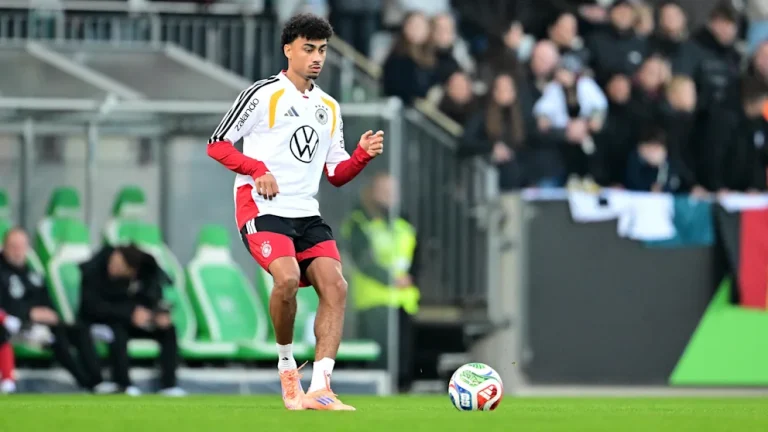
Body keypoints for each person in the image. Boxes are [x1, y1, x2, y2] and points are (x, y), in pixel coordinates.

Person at [206, 13, 384, 411]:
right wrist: (257, 169)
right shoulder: (262, 94)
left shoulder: (329, 107)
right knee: (285, 279)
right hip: (262, 207)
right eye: (308, 49)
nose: (317, 57)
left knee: (336, 286)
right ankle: (287, 367)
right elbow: (217, 144)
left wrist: (360, 155)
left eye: (322, 50)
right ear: (288, 50)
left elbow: (336, 174)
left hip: (306, 212)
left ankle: (321, 388)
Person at [0, 227, 105, 394]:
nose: (18, 251)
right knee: (57, 339)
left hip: (39, 322)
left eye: (22, 246)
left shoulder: (31, 272)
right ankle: (85, 383)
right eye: (14, 246)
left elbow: (43, 295)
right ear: (4, 247)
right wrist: (29, 312)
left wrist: (49, 312)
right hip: (14, 324)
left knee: (79, 329)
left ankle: (98, 382)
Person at [341, 173, 419, 391]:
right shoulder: (359, 223)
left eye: (393, 192)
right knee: (380, 361)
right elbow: (363, 260)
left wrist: (410, 279)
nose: (389, 196)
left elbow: (415, 258)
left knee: (403, 362)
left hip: (404, 301)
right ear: (371, 193)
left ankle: (402, 394)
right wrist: (391, 279)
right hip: (374, 301)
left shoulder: (403, 224)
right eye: (384, 191)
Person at [78, 244, 185, 397]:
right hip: (103, 321)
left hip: (135, 321)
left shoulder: (146, 272)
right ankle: (124, 384)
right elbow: (90, 307)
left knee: (168, 329)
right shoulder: (94, 271)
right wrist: (129, 314)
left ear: (132, 271)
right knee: (117, 330)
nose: (113, 268)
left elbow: (152, 298)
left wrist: (157, 314)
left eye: (119, 267)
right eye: (113, 262)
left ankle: (169, 386)